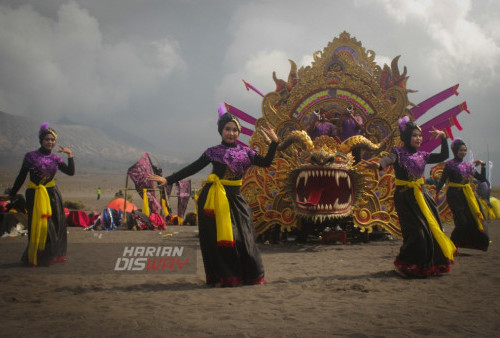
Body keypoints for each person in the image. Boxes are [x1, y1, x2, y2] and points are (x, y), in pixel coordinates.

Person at [148, 112, 279, 287]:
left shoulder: (246, 152)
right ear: (221, 130)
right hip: (213, 200)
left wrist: (274, 143)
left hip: (236, 200)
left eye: (234, 130)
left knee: (244, 238)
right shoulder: (212, 152)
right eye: (227, 129)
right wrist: (168, 180)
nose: (231, 133)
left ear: (238, 132)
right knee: (219, 241)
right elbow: (192, 168)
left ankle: (249, 276)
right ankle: (227, 277)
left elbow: (266, 162)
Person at [361, 117, 456, 278]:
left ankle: (426, 265)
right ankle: (405, 264)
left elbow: (443, 156)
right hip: (405, 197)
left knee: (432, 230)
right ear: (406, 137)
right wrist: (378, 165)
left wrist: (443, 137)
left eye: (420, 135)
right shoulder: (397, 152)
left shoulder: (423, 155)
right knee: (416, 233)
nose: (418, 138)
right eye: (414, 135)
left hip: (422, 196)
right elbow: (388, 160)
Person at [8, 123, 75, 267]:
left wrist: (70, 155)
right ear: (41, 140)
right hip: (35, 194)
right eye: (47, 139)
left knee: (54, 226)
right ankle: (36, 256)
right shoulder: (30, 157)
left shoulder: (56, 159)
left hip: (52, 195)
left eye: (52, 139)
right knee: (38, 226)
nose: (50, 142)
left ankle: (50, 255)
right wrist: (12, 193)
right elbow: (21, 176)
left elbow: (70, 172)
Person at [435, 139, 490, 251]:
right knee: (461, 222)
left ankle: (454, 245)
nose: (463, 152)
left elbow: (482, 178)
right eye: (461, 150)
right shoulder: (449, 164)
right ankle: (451, 245)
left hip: (466, 196)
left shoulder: (468, 166)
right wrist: (436, 192)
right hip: (454, 195)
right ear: (455, 150)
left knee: (470, 220)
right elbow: (442, 180)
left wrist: (483, 166)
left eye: (465, 150)